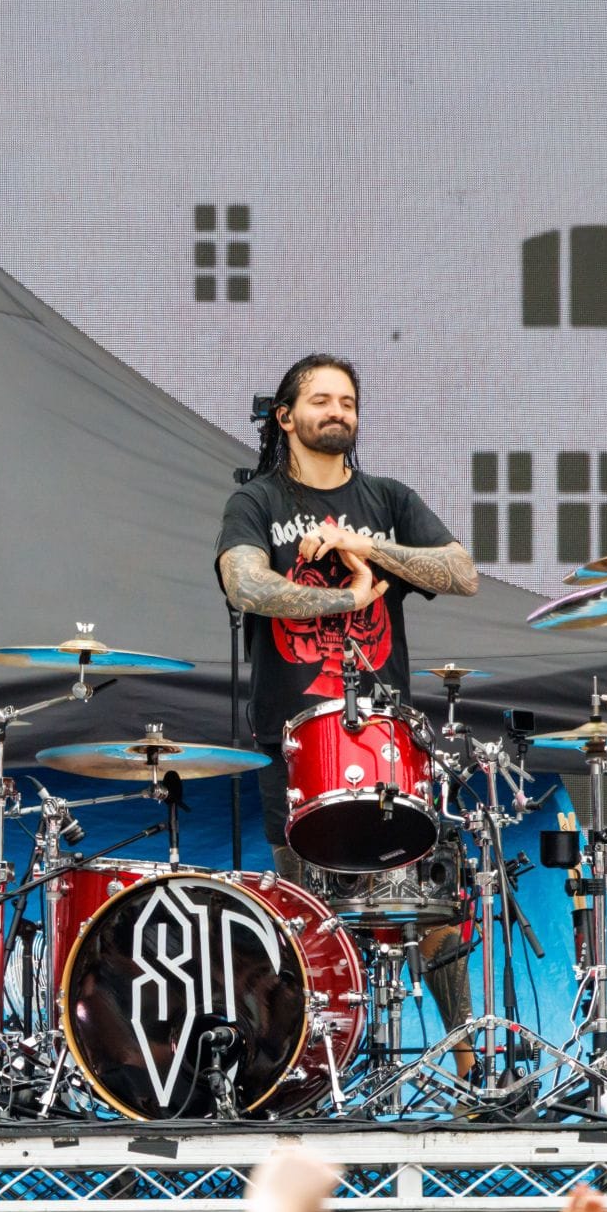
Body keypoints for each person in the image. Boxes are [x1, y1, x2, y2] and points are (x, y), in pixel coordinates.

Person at [215, 353, 480, 1072]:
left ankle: (468, 1068)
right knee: (304, 923)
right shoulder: (257, 504)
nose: (338, 412)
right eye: (322, 400)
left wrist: (367, 548)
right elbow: (246, 585)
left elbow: (461, 573)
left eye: (348, 402)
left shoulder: (388, 501)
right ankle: (308, 1073)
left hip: (387, 741)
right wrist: (347, 598)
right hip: (297, 743)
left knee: (428, 906)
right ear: (286, 416)